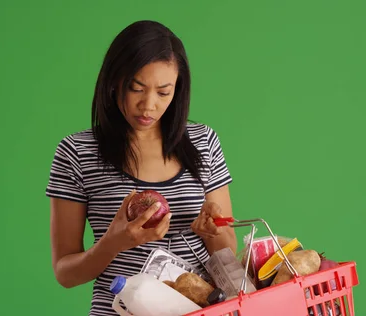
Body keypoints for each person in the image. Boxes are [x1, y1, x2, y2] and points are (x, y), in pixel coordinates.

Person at [45, 20, 237, 316]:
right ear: (113, 81)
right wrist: (113, 243)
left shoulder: (203, 141)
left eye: (163, 92)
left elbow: (228, 255)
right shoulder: (77, 152)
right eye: (136, 88)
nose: (148, 106)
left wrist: (213, 233)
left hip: (201, 309)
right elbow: (65, 273)